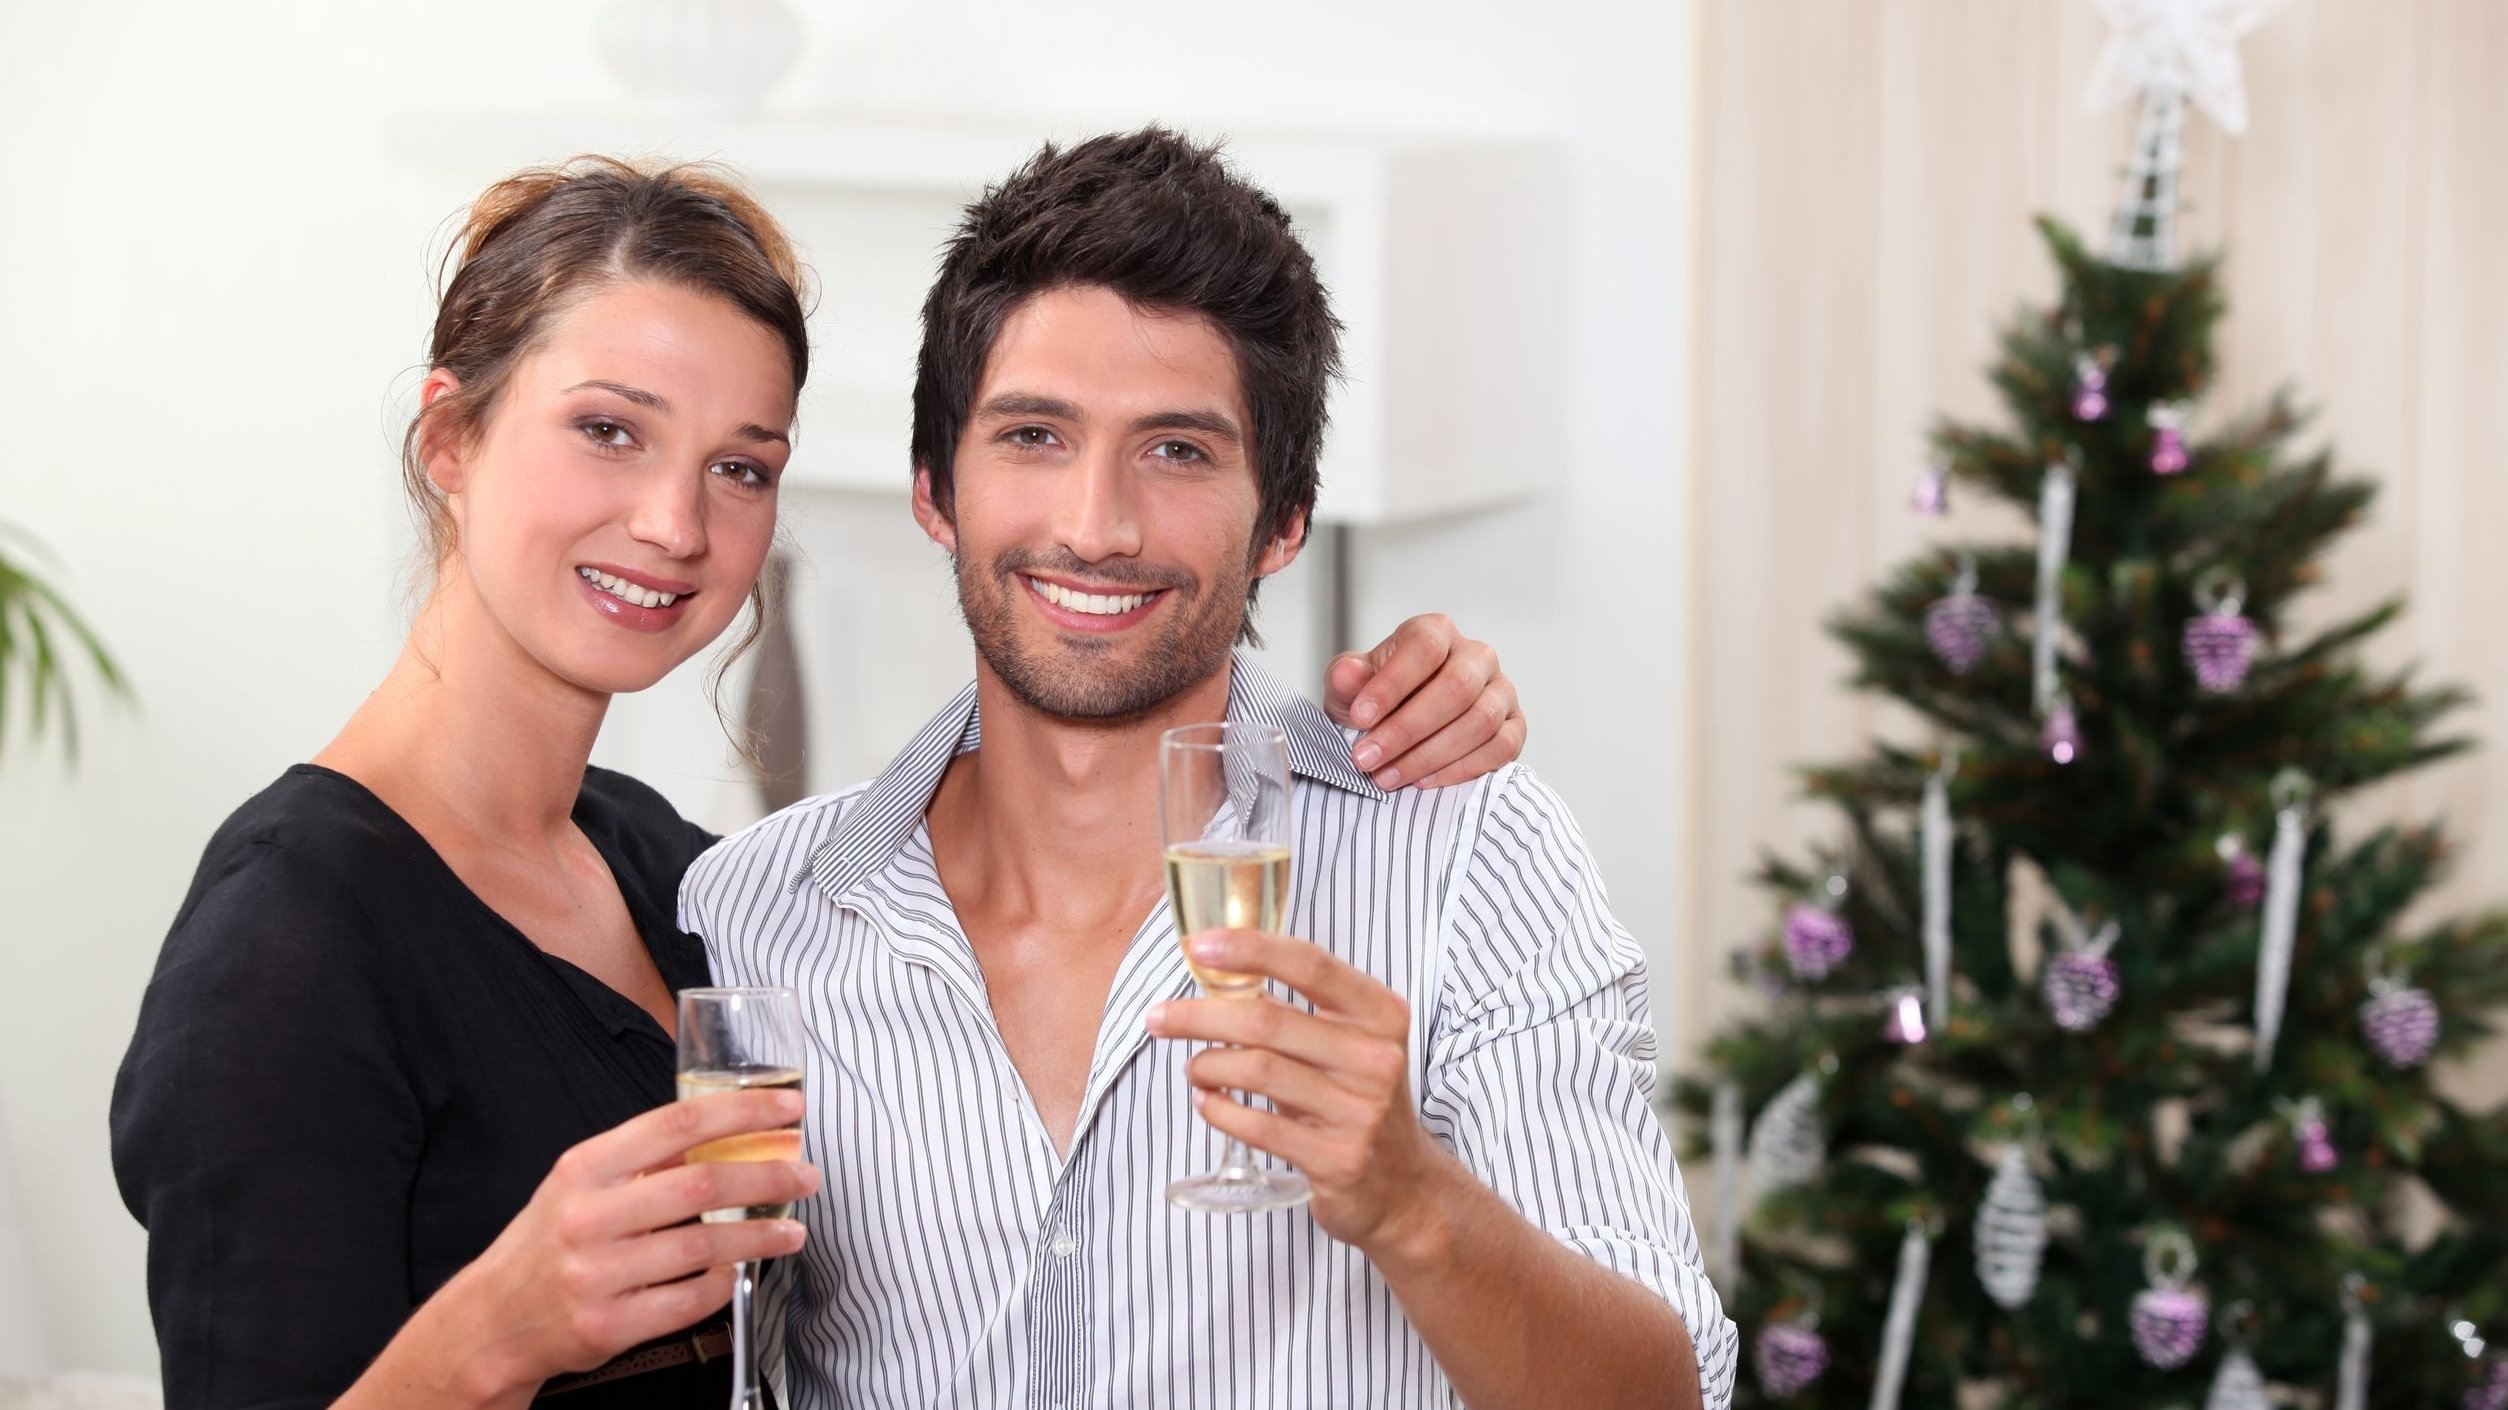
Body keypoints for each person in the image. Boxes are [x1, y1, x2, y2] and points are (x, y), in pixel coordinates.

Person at [108, 156, 1532, 1409]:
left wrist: (1404, 698)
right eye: (609, 429)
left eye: (742, 465)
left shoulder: (678, 876)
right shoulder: (287, 940)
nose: (674, 521)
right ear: (451, 441)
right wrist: (498, 1333)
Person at [684, 128, 1739, 1410]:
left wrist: (1416, 1205)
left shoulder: (1464, 855)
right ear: (933, 489)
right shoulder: (749, 916)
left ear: (1283, 520)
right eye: (1032, 436)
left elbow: (1666, 1395)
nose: (1097, 526)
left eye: (1178, 451)